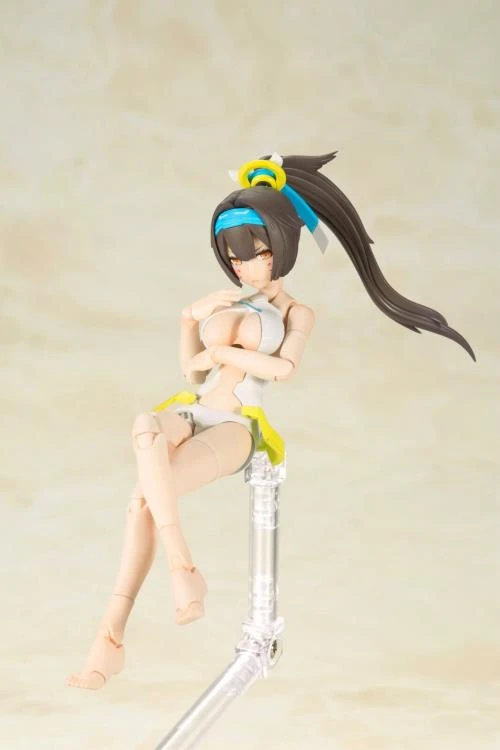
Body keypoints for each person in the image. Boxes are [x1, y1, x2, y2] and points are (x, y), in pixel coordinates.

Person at [68, 151, 474, 690]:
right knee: (145, 430)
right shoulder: (229, 301)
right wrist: (188, 319)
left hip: (239, 426)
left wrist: (223, 352)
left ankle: (111, 637)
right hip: (194, 407)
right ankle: (180, 569)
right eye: (232, 255)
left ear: (281, 247)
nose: (241, 266)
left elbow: (283, 370)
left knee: (146, 498)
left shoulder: (295, 313)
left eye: (254, 253)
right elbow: (193, 372)